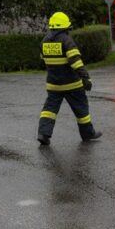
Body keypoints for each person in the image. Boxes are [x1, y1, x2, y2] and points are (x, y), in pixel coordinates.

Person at [37, 12, 102, 145]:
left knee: (49, 110)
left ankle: (43, 134)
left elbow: (43, 60)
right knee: (81, 109)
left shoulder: (44, 41)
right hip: (72, 84)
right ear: (65, 27)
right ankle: (87, 134)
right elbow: (75, 61)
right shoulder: (66, 40)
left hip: (53, 84)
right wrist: (86, 78)